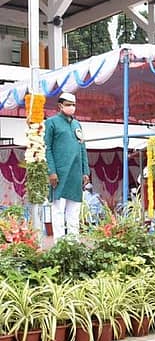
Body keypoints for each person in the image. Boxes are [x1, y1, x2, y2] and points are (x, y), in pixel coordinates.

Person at [44, 92, 90, 242]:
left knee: (74, 211)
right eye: (68, 104)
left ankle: (73, 245)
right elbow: (47, 148)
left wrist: (85, 172)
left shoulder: (77, 124)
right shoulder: (51, 123)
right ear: (60, 106)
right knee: (57, 210)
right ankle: (59, 245)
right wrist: (51, 171)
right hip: (59, 174)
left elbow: (82, 148)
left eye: (74, 105)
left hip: (76, 174)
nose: (72, 107)